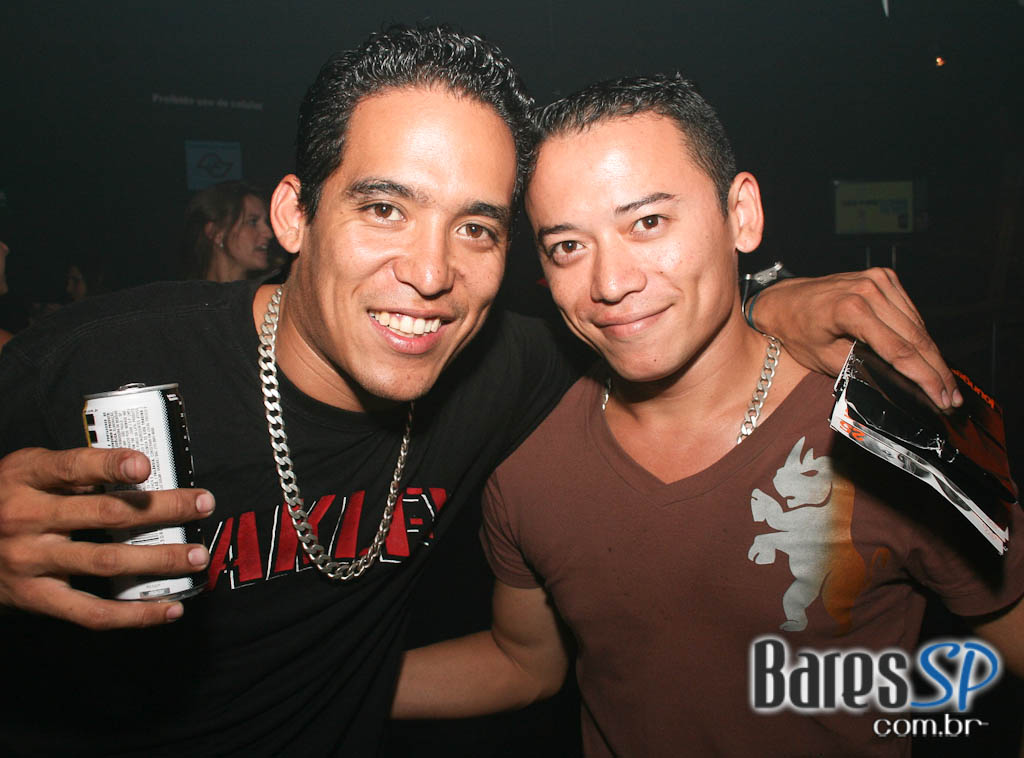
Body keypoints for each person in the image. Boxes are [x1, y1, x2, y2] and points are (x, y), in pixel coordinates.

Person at [0, 28, 961, 756]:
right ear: (296, 214)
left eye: (477, 228)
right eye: (385, 208)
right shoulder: (88, 363)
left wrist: (770, 297)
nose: (430, 274)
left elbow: (645, 313)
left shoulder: (508, 371)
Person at [390, 75, 1024, 756]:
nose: (611, 283)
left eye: (648, 223)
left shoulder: (887, 431)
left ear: (741, 215)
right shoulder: (528, 452)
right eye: (568, 246)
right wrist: (318, 683)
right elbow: (526, 664)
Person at [180, 180, 274, 281]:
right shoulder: (185, 290)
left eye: (266, 222)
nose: (269, 233)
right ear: (216, 233)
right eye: (252, 222)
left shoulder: (275, 288)